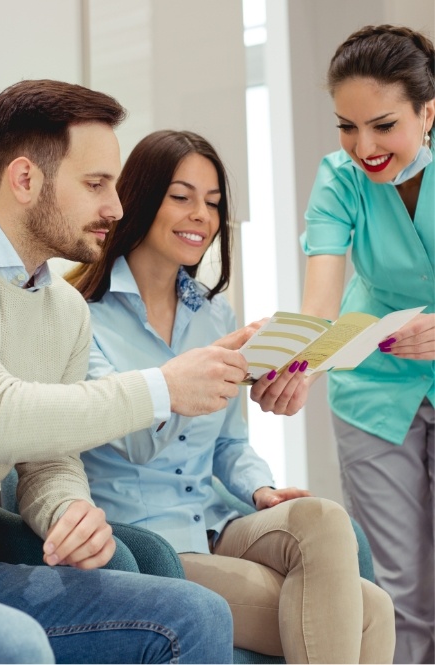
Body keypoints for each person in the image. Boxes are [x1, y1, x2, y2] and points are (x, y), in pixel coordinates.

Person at [67, 129, 396, 664]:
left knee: (325, 519)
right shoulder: (82, 315)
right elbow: (132, 443)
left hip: (217, 520)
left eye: (214, 202)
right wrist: (192, 374)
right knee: (371, 612)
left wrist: (260, 489)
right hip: (147, 542)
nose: (201, 214)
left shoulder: (214, 314)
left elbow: (229, 445)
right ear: (141, 198)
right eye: (182, 196)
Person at [0, 78, 243, 664]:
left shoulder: (64, 309)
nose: (117, 207)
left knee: (197, 612)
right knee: (20, 644)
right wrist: (164, 388)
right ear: (25, 179)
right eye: (97, 184)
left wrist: (67, 510)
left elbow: (48, 457)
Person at [251, 24, 435, 665]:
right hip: (376, 388)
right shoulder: (339, 179)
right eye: (347, 127)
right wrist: (298, 368)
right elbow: (321, 305)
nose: (365, 147)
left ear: (427, 110)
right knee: (401, 589)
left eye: (383, 125)